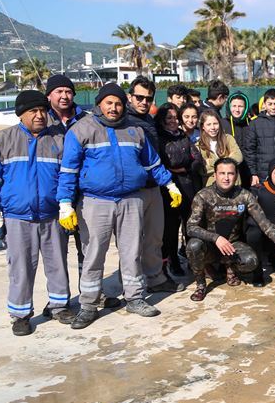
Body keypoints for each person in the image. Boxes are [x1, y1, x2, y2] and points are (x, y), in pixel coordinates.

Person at [57, 83, 184, 329]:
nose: (113, 108)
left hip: (130, 199)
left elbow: (152, 163)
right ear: (99, 104)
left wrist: (169, 185)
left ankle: (135, 298)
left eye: (117, 103)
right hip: (96, 202)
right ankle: (89, 305)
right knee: (94, 253)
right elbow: (68, 170)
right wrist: (65, 202)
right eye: (109, 103)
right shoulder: (81, 129)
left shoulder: (134, 130)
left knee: (131, 251)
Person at [0, 91, 73, 334]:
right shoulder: (2, 140)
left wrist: (66, 205)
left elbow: (67, 176)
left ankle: (59, 305)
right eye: (33, 111)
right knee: (20, 267)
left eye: (42, 110)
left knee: (58, 264)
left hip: (52, 216)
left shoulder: (58, 139)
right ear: (21, 114)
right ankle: (20, 314)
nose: (40, 115)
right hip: (17, 217)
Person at [186, 159, 275, 301]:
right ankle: (201, 284)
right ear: (215, 175)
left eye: (230, 173)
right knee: (194, 246)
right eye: (222, 173)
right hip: (210, 246)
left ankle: (230, 268)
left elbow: (264, 223)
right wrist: (215, 238)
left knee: (251, 261)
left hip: (233, 246)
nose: (226, 178)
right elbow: (190, 227)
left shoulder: (244, 195)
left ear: (236, 175)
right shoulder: (203, 195)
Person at [126, 77, 185, 294]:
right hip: (134, 190)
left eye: (148, 99)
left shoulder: (150, 121)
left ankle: (156, 278)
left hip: (155, 186)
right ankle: (133, 287)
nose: (143, 102)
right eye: (139, 97)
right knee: (132, 241)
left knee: (154, 237)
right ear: (130, 96)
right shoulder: (124, 121)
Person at [45, 74, 90, 271]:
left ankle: (93, 292)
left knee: (88, 247)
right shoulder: (41, 120)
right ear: (49, 96)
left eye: (68, 91)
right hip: (53, 194)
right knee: (56, 250)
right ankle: (60, 297)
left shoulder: (86, 120)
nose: (64, 96)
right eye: (59, 92)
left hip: (83, 193)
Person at [155, 103, 200, 277]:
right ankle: (172, 261)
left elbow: (196, 159)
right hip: (169, 188)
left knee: (189, 225)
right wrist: (176, 167)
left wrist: (182, 168)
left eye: (175, 117)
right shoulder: (160, 138)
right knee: (171, 229)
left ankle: (192, 259)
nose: (173, 121)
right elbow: (164, 164)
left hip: (187, 184)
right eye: (169, 118)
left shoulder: (183, 136)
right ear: (162, 120)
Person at [196, 110, 243, 187]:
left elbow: (238, 157)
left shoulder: (228, 138)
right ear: (203, 127)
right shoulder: (198, 146)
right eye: (208, 124)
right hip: (212, 188)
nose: (213, 127)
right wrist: (228, 159)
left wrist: (211, 162)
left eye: (215, 123)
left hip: (233, 185)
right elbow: (202, 170)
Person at [224, 91, 254, 185]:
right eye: (234, 106)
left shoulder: (252, 124)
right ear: (229, 107)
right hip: (230, 172)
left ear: (245, 108)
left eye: (240, 106)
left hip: (250, 172)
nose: (237, 109)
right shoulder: (222, 124)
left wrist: (254, 173)